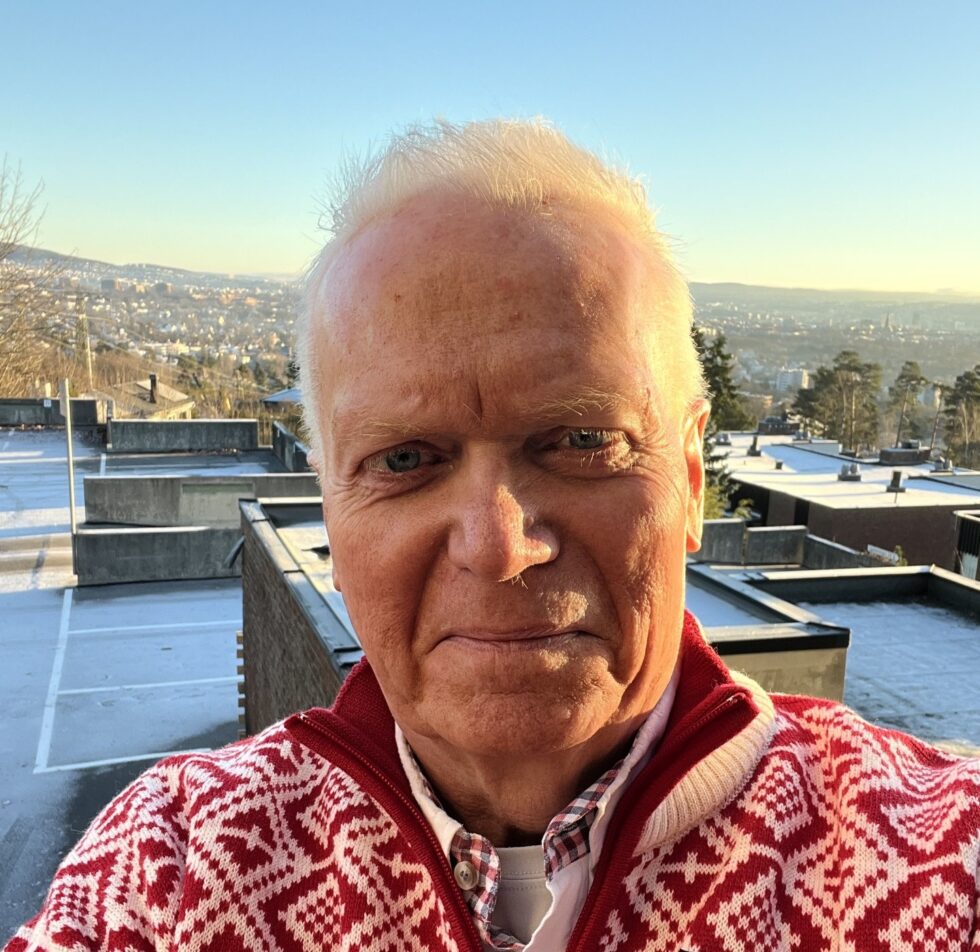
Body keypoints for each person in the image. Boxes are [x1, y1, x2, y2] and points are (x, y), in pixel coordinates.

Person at [6, 119, 980, 952]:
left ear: (689, 479)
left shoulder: (939, 854)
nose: (498, 545)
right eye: (403, 458)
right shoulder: (172, 870)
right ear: (331, 510)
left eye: (582, 440)